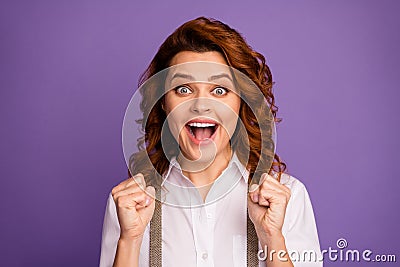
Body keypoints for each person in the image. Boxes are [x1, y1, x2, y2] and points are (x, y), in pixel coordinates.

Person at [100, 17, 322, 267]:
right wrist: (130, 241)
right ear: (163, 102)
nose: (201, 105)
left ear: (241, 103)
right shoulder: (128, 204)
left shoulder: (288, 198)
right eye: (183, 89)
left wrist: (272, 238)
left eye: (219, 90)